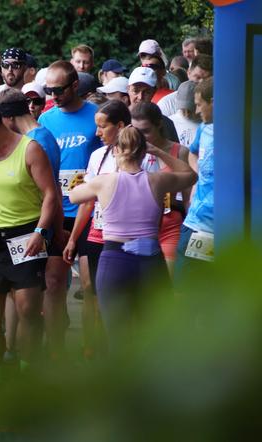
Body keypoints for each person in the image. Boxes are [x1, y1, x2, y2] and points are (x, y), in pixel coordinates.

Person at [69, 126, 196, 349]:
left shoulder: (104, 181)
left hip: (115, 259)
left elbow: (73, 196)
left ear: (116, 150)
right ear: (143, 152)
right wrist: (160, 152)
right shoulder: (157, 180)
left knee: (118, 338)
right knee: (154, 336)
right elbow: (191, 175)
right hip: (150, 261)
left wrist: (89, 181)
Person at [0, 101, 57, 386]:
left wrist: (40, 232)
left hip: (25, 236)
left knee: (28, 307)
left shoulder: (29, 149)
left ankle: (28, 372)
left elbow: (50, 195)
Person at [63, 100, 159, 359]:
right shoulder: (97, 156)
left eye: (102, 127)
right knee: (92, 291)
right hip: (97, 233)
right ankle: (95, 348)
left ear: (120, 126)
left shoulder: (147, 159)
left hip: (131, 240)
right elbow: (85, 200)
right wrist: (73, 239)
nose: (97, 133)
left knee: (135, 304)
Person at [39, 60, 102, 359]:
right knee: (53, 282)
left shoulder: (95, 117)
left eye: (59, 89)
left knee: (90, 285)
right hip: (57, 209)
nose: (53, 95)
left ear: (75, 85)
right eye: (49, 90)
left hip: (90, 210)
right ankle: (55, 349)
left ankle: (90, 344)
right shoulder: (46, 120)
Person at [131, 103, 191, 273]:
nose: (141, 137)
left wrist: (157, 152)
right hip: (138, 225)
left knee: (167, 287)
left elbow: (187, 196)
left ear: (159, 125)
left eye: (146, 131)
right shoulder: (130, 151)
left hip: (169, 224)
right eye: (136, 131)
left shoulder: (179, 151)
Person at [174, 78, 214, 289]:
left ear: (214, 102)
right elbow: (192, 152)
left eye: (199, 104)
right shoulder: (204, 129)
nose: (196, 111)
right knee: (184, 292)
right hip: (197, 223)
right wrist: (199, 175)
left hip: (225, 229)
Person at [127, 67, 179, 142]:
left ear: (154, 92)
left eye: (147, 92)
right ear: (128, 89)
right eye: (136, 91)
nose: (140, 97)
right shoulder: (118, 119)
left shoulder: (166, 123)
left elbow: (174, 150)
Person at [167, 81, 200, 147]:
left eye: (190, 110)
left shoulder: (207, 124)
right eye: (183, 109)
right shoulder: (169, 122)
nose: (187, 114)